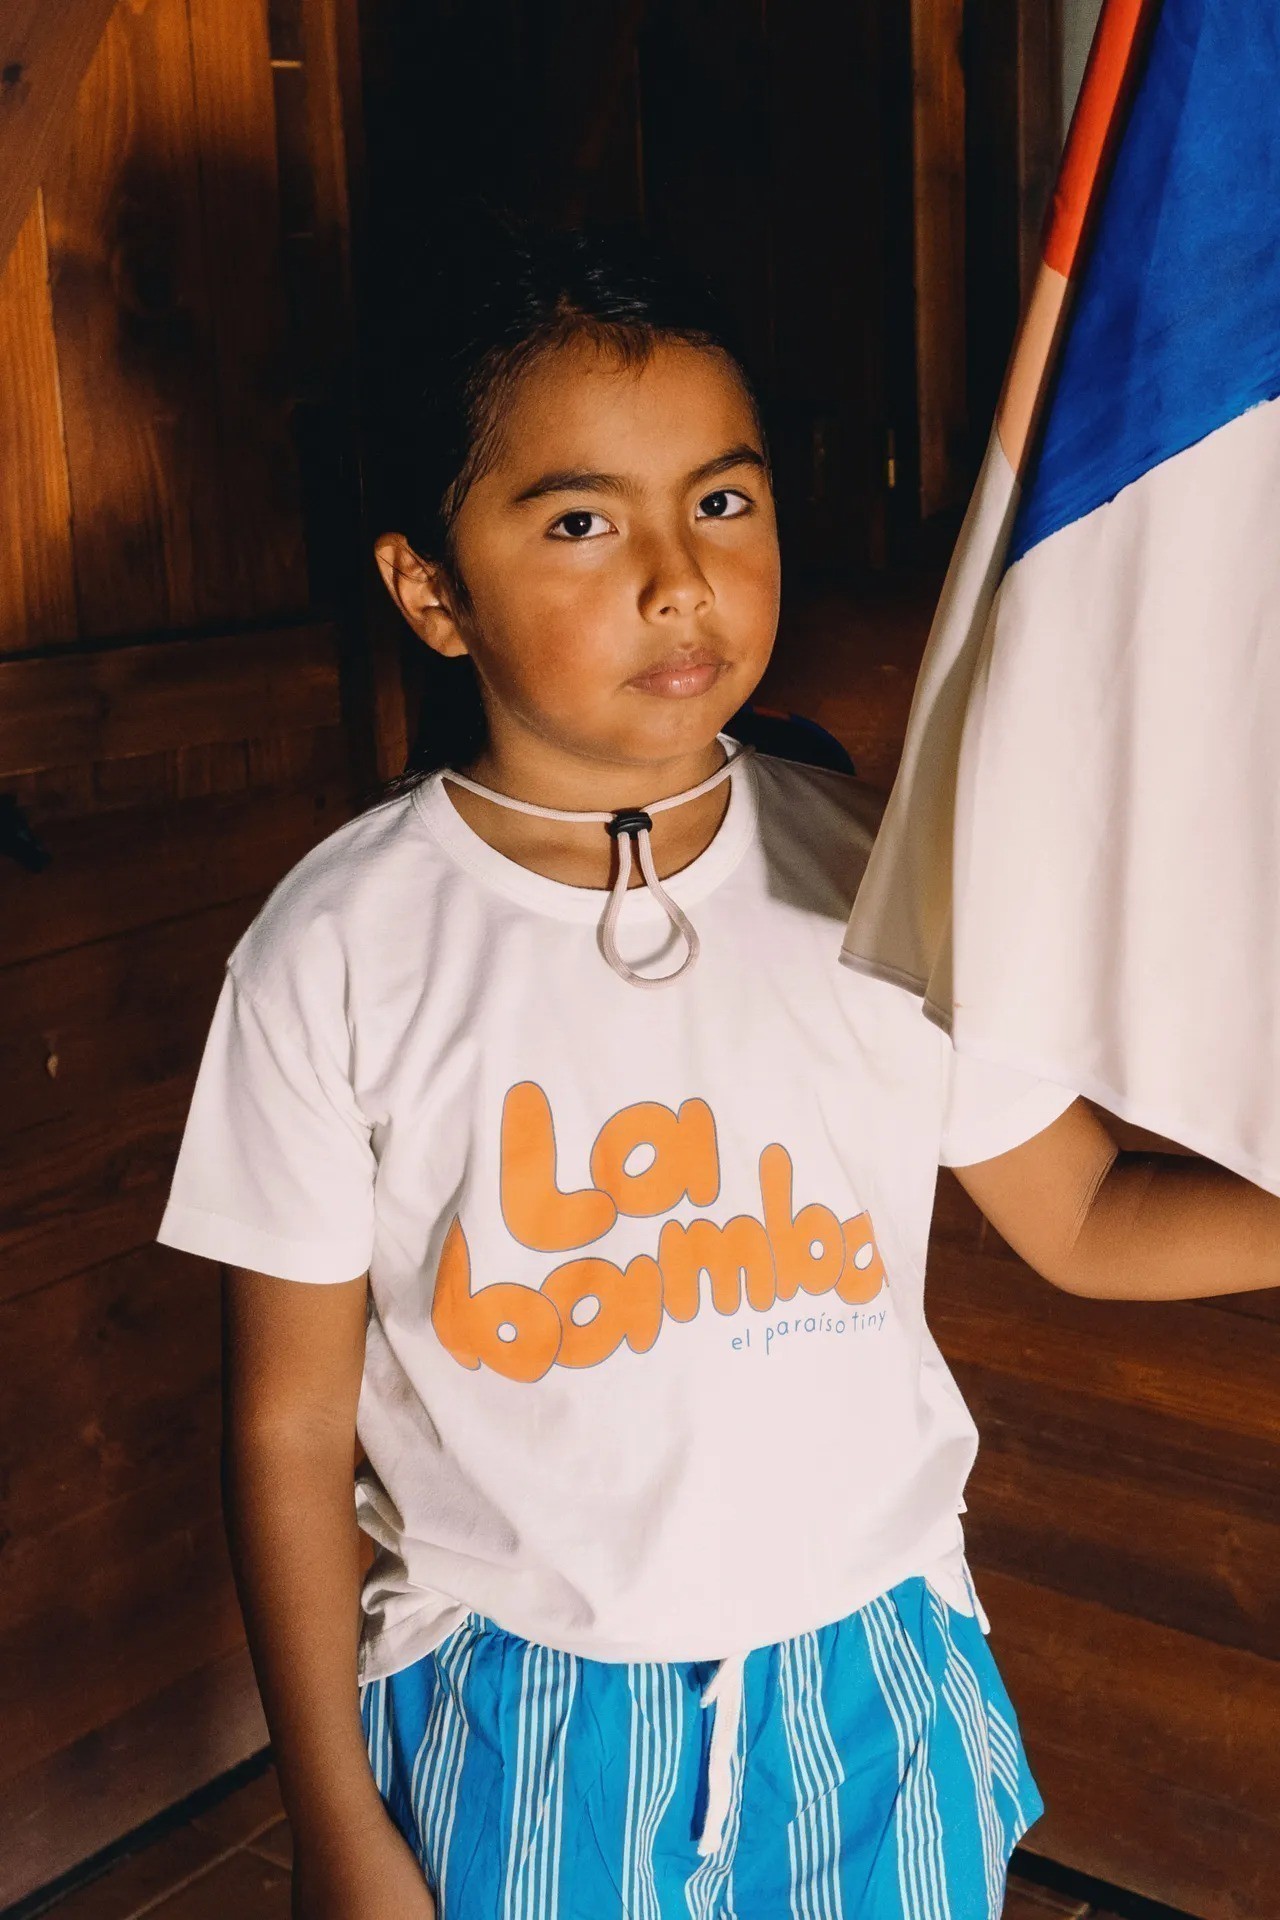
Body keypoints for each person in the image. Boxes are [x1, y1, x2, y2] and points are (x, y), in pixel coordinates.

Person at [155, 212, 1280, 1920]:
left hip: (876, 1690)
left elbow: (1088, 1215)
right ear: (433, 591)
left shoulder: (880, 871)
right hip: (520, 1714)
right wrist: (332, 1822)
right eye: (581, 521)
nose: (678, 577)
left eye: (725, 500)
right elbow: (291, 1420)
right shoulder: (337, 951)